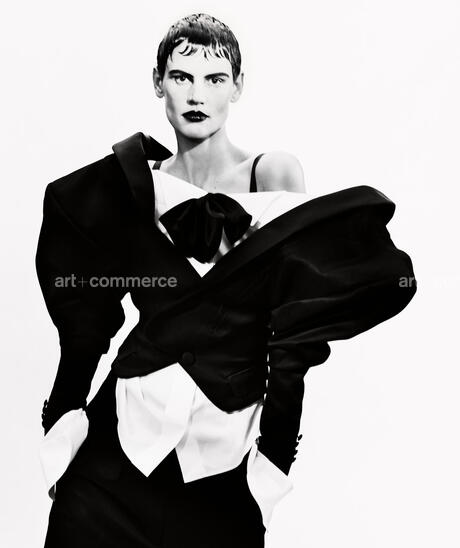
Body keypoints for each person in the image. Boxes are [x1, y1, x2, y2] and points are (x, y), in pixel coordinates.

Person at [36, 13, 417, 548]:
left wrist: (274, 458)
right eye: (181, 76)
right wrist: (61, 428)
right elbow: (86, 322)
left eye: (215, 79)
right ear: (158, 83)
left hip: (220, 472)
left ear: (237, 86)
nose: (197, 94)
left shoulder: (274, 174)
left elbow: (296, 327)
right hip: (111, 462)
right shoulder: (128, 187)